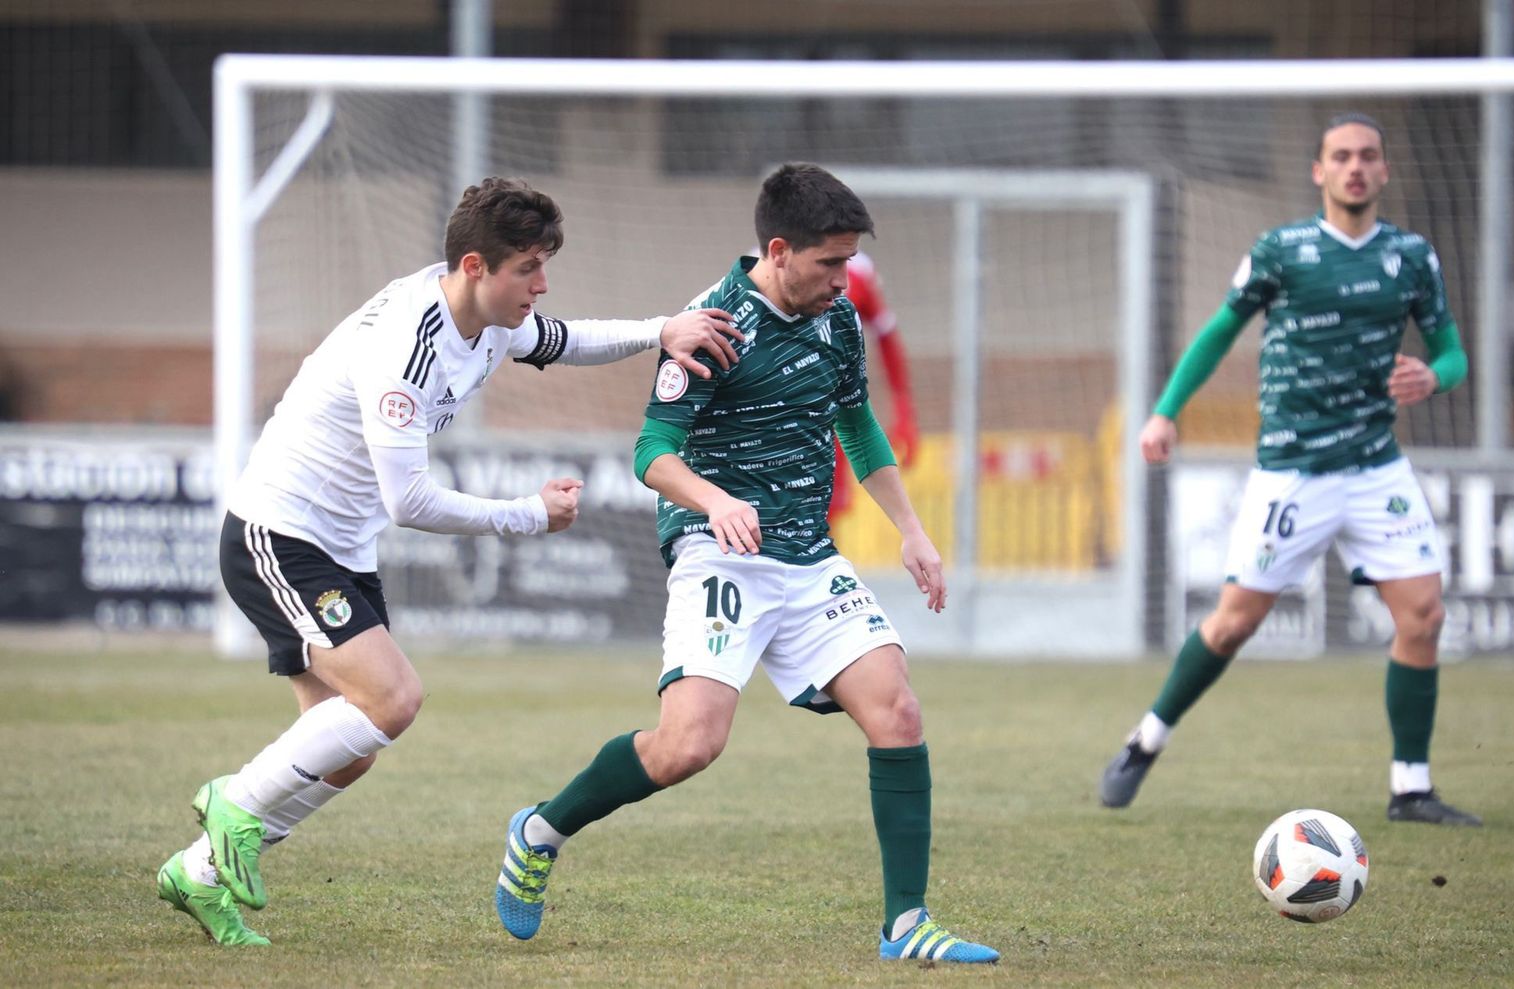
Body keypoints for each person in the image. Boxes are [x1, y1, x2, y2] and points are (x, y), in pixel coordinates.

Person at [155, 177, 745, 946]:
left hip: (338, 546)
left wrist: (659, 328)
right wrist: (525, 515)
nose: (542, 283)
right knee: (394, 698)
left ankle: (196, 873)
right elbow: (411, 502)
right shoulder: (407, 346)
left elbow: (568, 339)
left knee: (347, 748)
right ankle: (231, 803)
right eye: (529, 267)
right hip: (280, 533)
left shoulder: (491, 322)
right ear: (475, 265)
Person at [493, 163, 999, 964]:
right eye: (831, 263)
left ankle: (907, 925)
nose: (845, 279)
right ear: (779, 249)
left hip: (807, 552)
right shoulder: (711, 323)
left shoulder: (839, 322)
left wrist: (910, 529)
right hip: (721, 551)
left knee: (897, 711)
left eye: (849, 261)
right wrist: (715, 501)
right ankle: (540, 829)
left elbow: (857, 426)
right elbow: (652, 454)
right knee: (687, 744)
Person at [1097, 113, 1480, 827]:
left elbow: (1454, 353)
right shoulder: (1284, 250)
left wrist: (1435, 377)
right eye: (1341, 156)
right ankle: (1145, 739)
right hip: (1293, 472)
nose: (1355, 166)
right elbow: (1219, 332)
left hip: (1375, 468)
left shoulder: (1411, 256)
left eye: (1368, 155)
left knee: (1423, 615)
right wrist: (1165, 410)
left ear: (1384, 170)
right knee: (1235, 623)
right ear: (1319, 171)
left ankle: (1411, 787)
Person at [828, 252, 919, 524]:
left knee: (825, 511)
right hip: (771, 421)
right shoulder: (759, 272)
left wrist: (904, 413)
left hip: (830, 418)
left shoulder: (857, 273)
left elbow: (886, 337)